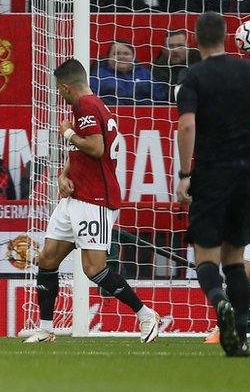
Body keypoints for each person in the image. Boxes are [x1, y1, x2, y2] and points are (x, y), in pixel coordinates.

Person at [24, 58, 161, 343]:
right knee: (47, 258)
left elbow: (96, 148)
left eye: (59, 90)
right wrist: (63, 175)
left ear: (65, 87)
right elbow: (81, 152)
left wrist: (68, 132)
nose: (59, 95)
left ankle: (145, 314)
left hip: (94, 199)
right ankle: (47, 329)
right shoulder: (89, 106)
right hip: (75, 197)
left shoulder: (86, 106)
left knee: (94, 269)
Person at [175, 12, 250, 357]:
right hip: (248, 174)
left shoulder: (193, 76)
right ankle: (237, 337)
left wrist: (183, 175)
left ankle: (218, 300)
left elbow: (187, 126)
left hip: (212, 173)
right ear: (227, 37)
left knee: (206, 258)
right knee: (235, 259)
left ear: (196, 39)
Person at [89, 40, 164, 105]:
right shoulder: (98, 75)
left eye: (126, 54)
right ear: (108, 57)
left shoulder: (145, 74)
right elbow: (93, 98)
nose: (121, 57)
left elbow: (159, 97)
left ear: (133, 57)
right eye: (116, 53)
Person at [151, 29, 201, 100]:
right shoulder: (156, 69)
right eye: (171, 46)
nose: (175, 50)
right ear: (164, 49)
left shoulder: (200, 64)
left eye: (180, 46)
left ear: (188, 48)